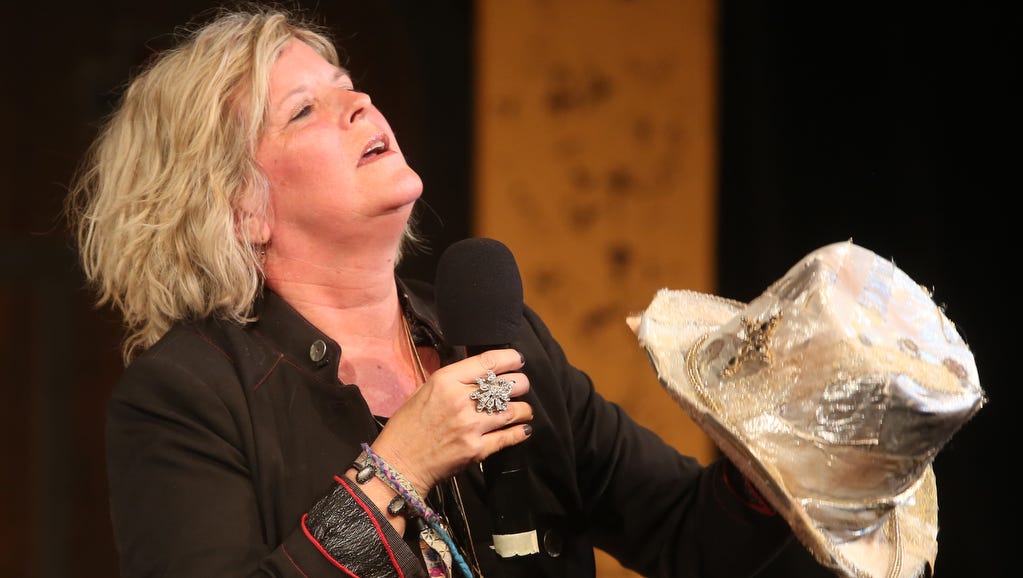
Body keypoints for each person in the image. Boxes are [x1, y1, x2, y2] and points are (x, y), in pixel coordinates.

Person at [65, 4, 794, 577]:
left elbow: (688, 533)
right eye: (304, 109)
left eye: (346, 85)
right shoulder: (186, 395)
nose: (360, 102)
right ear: (238, 209)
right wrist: (398, 470)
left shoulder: (490, 331)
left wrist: (795, 432)